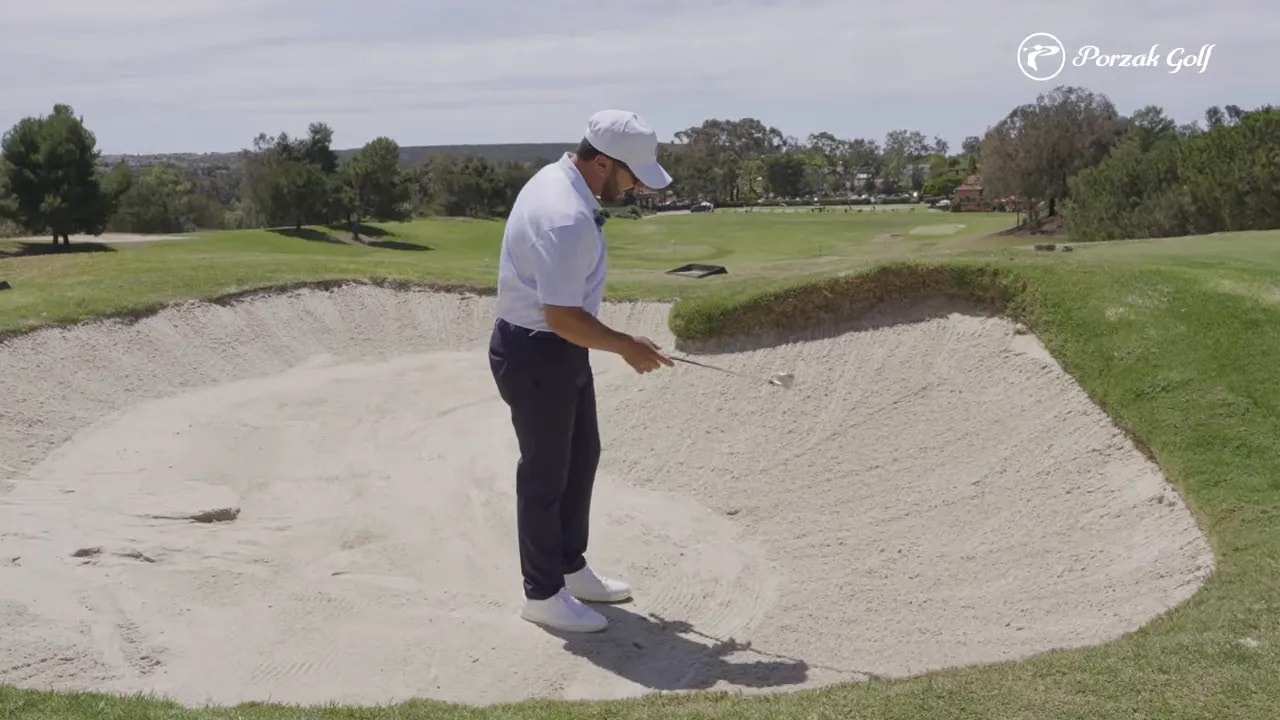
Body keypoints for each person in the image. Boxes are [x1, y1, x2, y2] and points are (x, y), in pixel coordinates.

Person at [488, 109, 675, 633]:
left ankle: (569, 567)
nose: (638, 185)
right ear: (601, 163)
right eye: (633, 174)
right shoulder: (564, 216)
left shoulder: (563, 179)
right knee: (546, 474)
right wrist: (626, 346)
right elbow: (562, 316)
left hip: (557, 348)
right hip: (537, 349)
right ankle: (542, 593)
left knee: (582, 455)